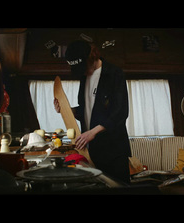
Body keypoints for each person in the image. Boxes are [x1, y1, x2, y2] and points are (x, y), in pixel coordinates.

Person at [54, 40, 132, 184]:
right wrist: (66, 110)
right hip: (92, 151)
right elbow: (85, 111)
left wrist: (93, 132)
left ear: (91, 58)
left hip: (114, 151)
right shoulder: (84, 78)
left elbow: (120, 112)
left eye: (83, 67)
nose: (82, 72)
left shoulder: (114, 73)